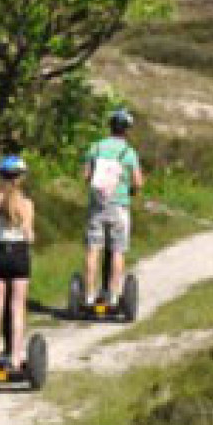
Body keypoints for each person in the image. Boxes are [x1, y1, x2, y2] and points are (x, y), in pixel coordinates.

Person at [82, 109, 144, 308]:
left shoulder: (96, 147)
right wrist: (132, 190)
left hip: (97, 204)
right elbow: (138, 182)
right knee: (118, 250)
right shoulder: (129, 152)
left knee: (93, 249)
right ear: (127, 130)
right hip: (119, 206)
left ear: (110, 126)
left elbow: (86, 176)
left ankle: (89, 295)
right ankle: (114, 296)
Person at [0, 155, 35, 369]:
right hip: (19, 256)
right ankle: (15, 356)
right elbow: (29, 236)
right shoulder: (26, 204)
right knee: (17, 307)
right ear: (21, 177)